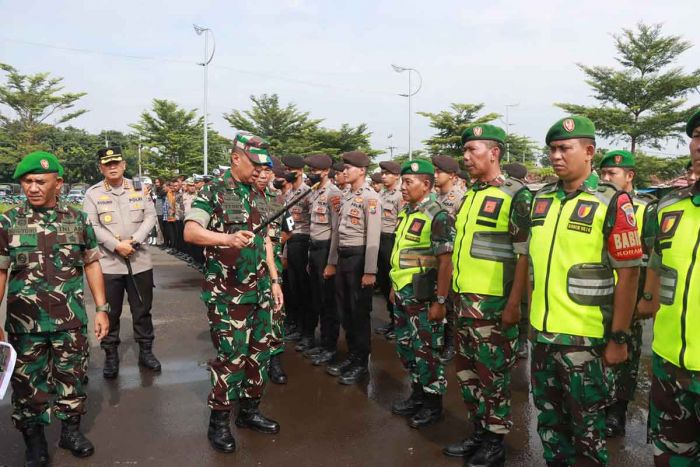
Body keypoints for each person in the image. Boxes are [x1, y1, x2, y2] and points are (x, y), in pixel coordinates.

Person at [527, 116, 642, 466]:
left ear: (589, 152)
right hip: (544, 337)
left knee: (587, 432)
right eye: (552, 150)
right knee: (550, 426)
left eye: (565, 148)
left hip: (587, 342)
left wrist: (619, 338)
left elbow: (629, 275)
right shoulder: (542, 199)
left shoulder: (612, 201)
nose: (556, 156)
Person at [0, 151, 110, 465]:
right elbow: (1, 270)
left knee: (72, 377)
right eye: (27, 181)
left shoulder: (76, 218)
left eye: (40, 181)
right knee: (27, 383)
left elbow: (91, 264)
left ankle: (70, 432)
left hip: (70, 319)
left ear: (58, 183)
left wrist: (102, 308)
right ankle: (34, 443)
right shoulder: (8, 221)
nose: (32, 187)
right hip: (25, 324)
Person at [184, 132, 284, 453]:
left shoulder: (261, 195)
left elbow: (266, 239)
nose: (259, 171)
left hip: (261, 291)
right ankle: (220, 422)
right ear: (235, 158)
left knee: (260, 354)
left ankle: (250, 412)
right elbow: (191, 231)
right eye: (253, 164)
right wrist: (225, 239)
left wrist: (275, 278)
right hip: (228, 294)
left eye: (262, 165)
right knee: (232, 358)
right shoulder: (212, 191)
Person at [442, 125, 532, 466]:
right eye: (464, 151)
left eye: (472, 150)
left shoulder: (516, 195)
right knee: (467, 373)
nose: (465, 157)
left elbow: (524, 255)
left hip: (494, 306)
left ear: (494, 153)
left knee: (493, 376)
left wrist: (514, 304)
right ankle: (478, 431)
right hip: (465, 302)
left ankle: (495, 441)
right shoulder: (471, 194)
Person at [644, 109, 700, 465]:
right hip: (671, 368)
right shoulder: (669, 207)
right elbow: (656, 268)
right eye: (697, 135)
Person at [83, 147, 161, 379]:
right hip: (109, 263)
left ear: (124, 165)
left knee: (142, 310)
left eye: (116, 162)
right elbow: (91, 225)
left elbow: (150, 216)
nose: (112, 166)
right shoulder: (92, 194)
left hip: (139, 261)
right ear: (101, 168)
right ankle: (111, 355)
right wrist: (116, 245)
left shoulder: (139, 188)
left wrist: (134, 241)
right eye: (107, 164)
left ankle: (146, 352)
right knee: (111, 312)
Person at [389, 159, 455, 428]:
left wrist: (440, 301)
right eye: (402, 182)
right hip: (403, 292)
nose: (403, 187)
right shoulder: (407, 212)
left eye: (409, 182)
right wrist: (394, 288)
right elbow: (401, 254)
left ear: (426, 185)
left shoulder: (438, 215)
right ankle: (417, 395)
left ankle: (432, 404)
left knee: (427, 351)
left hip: (424, 296)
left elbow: (446, 261)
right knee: (406, 347)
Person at [598, 149, 658, 438]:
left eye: (613, 174)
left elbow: (654, 256)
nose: (606, 178)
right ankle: (599, 403)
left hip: (630, 297)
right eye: (603, 174)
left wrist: (647, 297)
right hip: (601, 295)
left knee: (627, 353)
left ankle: (617, 411)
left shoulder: (646, 210)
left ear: (629, 176)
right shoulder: (598, 204)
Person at [324, 151, 382, 384]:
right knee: (344, 309)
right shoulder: (346, 196)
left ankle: (361, 361)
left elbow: (374, 237)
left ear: (362, 171)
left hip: (360, 259)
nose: (344, 172)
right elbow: (337, 233)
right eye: (343, 168)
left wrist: (370, 271)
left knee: (359, 312)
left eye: (349, 168)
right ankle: (352, 354)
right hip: (343, 258)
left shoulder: (371, 198)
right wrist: (331, 262)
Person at [303, 154, 343, 366]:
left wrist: (331, 261)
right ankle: (322, 341)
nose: (311, 173)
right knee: (318, 299)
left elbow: (336, 230)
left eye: (314, 169)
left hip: (327, 249)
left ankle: (330, 346)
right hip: (315, 248)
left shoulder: (333, 194)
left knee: (329, 302)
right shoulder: (314, 192)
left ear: (325, 172)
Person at [432, 154, 466, 363]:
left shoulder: (460, 199)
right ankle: (440, 339)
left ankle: (452, 344)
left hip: (451, 257)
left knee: (451, 304)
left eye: (439, 172)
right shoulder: (436, 199)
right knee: (438, 298)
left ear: (452, 175)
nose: (435, 175)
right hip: (436, 257)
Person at [281, 155, 313, 350]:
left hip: (304, 242)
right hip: (291, 241)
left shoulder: (308, 193)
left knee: (305, 290)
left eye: (289, 169)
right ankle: (299, 328)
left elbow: (313, 222)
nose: (286, 172)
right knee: (294, 289)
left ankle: (308, 332)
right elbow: (288, 223)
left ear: (299, 171)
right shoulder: (289, 194)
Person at [375, 160, 402, 340]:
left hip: (393, 240)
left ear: (397, 176)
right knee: (384, 282)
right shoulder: (382, 194)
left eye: (387, 173)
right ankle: (392, 320)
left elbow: (401, 224)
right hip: (380, 240)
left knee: (394, 284)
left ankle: (399, 324)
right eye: (382, 173)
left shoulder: (401, 195)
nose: (383, 176)